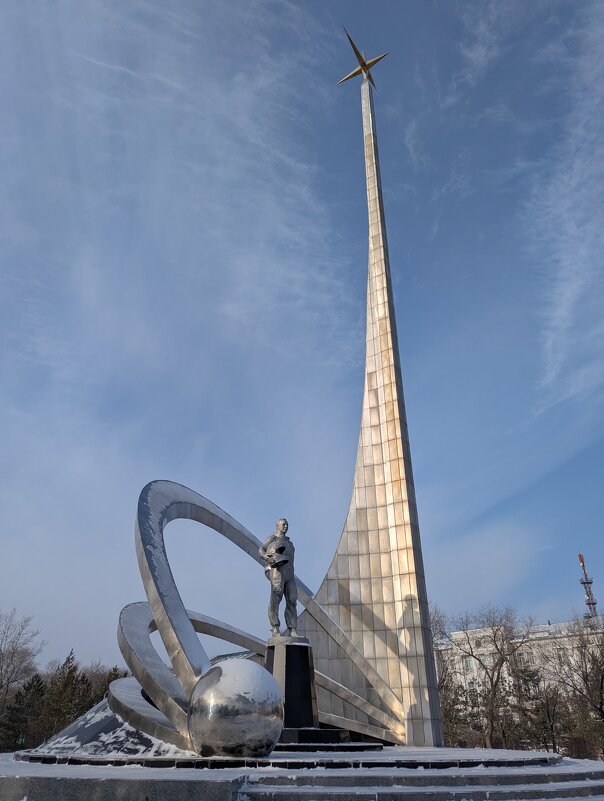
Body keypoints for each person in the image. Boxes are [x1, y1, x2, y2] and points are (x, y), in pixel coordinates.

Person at [259, 518, 298, 637]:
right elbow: (261, 549)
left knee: (292, 599)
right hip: (277, 571)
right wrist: (266, 557)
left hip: (289, 574)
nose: (285, 526)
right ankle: (275, 627)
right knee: (276, 598)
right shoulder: (272, 538)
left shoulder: (290, 543)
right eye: (283, 524)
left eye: (287, 524)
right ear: (277, 526)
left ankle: (292, 629)